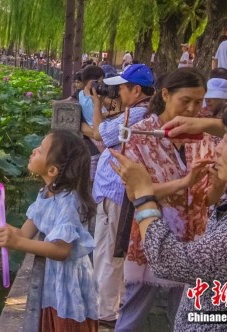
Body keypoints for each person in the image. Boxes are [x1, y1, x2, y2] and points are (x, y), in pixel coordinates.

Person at [111, 88, 227, 331]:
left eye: (226, 141)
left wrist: (144, 196)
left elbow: (169, 261)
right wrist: (204, 124)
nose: (216, 148)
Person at [115, 68, 227, 331]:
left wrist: (220, 179)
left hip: (194, 240)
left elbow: (207, 199)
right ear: (165, 94)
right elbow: (135, 193)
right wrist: (184, 183)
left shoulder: (205, 136)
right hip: (150, 235)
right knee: (133, 314)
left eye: (199, 102)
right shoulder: (141, 133)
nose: (192, 109)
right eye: (185, 100)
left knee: (186, 318)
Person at [0, 129, 99, 331]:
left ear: (52, 170)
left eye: (40, 150)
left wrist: (18, 244)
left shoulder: (68, 201)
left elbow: (61, 250)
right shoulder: (46, 194)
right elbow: (23, 234)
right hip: (54, 281)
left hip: (67, 284)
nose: (33, 151)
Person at [89, 64, 155, 328]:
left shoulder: (136, 115)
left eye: (122, 88)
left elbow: (98, 133)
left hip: (116, 195)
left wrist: (96, 104)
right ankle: (108, 308)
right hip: (115, 194)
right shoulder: (139, 112)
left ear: (136, 90)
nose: (117, 93)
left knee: (107, 255)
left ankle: (104, 314)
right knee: (111, 253)